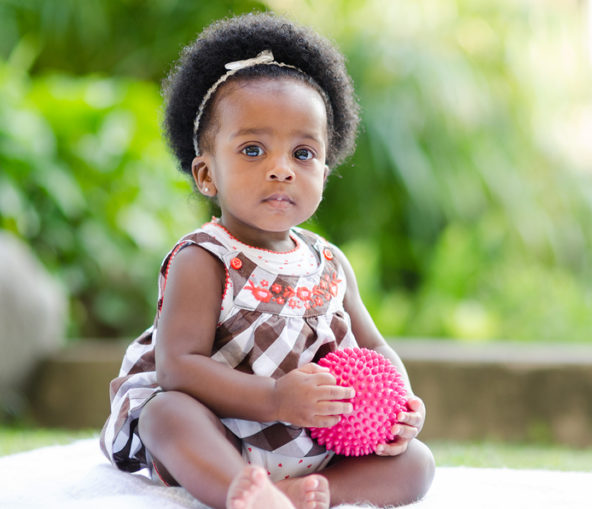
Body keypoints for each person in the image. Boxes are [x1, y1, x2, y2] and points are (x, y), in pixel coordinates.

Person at [100, 11, 435, 509]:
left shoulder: (330, 263)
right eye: (253, 149)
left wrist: (404, 405)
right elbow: (178, 367)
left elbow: (376, 346)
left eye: (303, 153)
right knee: (166, 413)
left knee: (418, 464)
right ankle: (238, 488)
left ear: (325, 168)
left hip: (315, 438)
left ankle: (312, 492)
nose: (281, 170)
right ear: (206, 174)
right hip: (220, 430)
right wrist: (277, 399)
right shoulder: (206, 257)